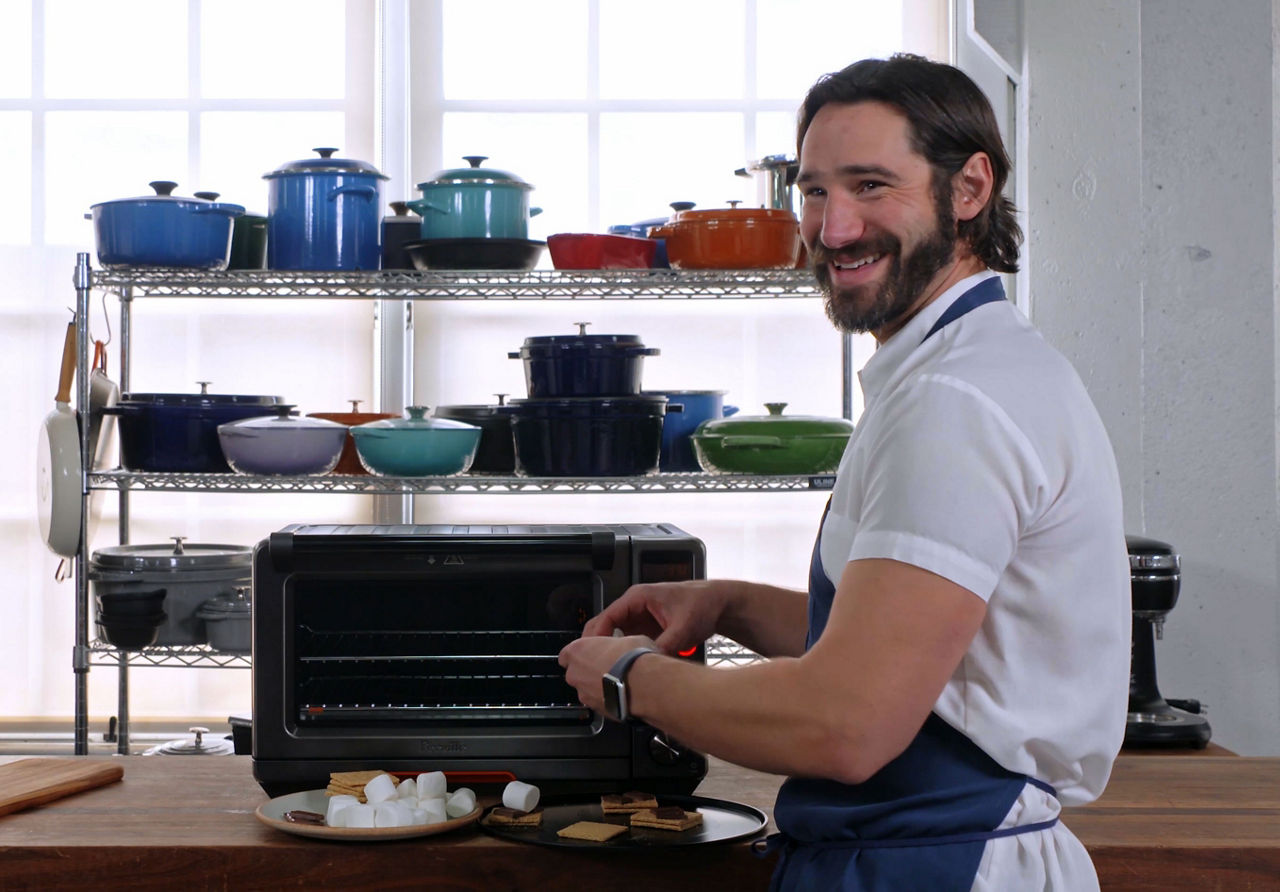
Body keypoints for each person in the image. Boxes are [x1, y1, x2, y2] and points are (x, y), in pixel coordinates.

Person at [559, 53, 1129, 891]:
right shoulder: (967, 367)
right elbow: (923, 652)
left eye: (870, 186)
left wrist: (626, 681)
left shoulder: (954, 401)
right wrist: (730, 607)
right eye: (815, 191)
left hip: (937, 865)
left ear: (969, 189)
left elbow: (846, 724)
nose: (832, 230)